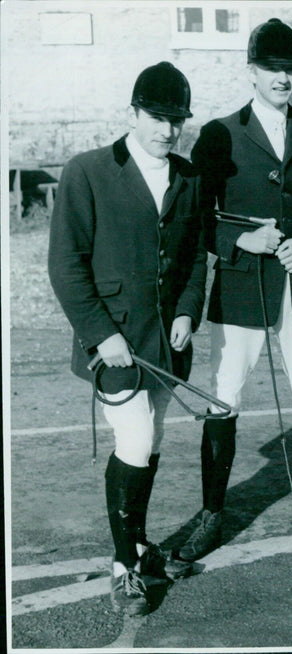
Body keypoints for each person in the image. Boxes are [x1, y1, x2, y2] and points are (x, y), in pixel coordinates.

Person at [181, 18, 292, 561]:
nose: (283, 78)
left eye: (290, 69)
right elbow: (198, 219)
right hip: (241, 292)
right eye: (272, 69)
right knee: (224, 398)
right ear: (252, 72)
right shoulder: (219, 133)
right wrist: (245, 239)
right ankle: (212, 516)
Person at [48, 62, 206, 615]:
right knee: (134, 440)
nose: (167, 130)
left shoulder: (188, 177)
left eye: (177, 120)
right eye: (157, 118)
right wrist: (100, 335)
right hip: (113, 346)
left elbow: (192, 260)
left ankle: (137, 542)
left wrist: (189, 312)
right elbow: (66, 266)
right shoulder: (87, 172)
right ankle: (125, 567)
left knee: (152, 439)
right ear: (132, 114)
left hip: (166, 343)